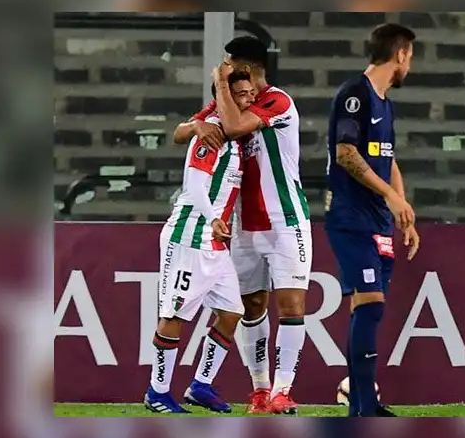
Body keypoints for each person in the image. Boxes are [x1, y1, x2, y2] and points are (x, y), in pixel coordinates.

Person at [176, 36, 312, 415]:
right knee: (251, 306)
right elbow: (179, 132)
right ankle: (260, 390)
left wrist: (219, 88)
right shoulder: (233, 99)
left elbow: (233, 128)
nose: (225, 69)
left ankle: (283, 391)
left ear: (246, 68)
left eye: (229, 64)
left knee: (291, 303)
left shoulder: (276, 101)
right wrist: (196, 127)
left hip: (286, 220)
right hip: (244, 226)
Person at [145, 71, 256, 414]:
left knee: (232, 311)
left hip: (214, 241)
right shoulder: (212, 130)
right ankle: (157, 392)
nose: (248, 100)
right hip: (190, 235)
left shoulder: (235, 132)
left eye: (251, 93)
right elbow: (193, 186)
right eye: (241, 94)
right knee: (175, 314)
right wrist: (213, 219)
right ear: (225, 97)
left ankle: (200, 385)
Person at [325, 23, 420, 417]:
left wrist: (404, 210)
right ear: (399, 54)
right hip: (351, 218)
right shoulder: (355, 95)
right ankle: (365, 406)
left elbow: (387, 157)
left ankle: (359, 407)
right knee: (371, 305)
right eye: (410, 57)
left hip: (379, 220)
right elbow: (346, 153)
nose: (410, 66)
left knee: (365, 307)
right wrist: (389, 195)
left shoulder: (385, 102)